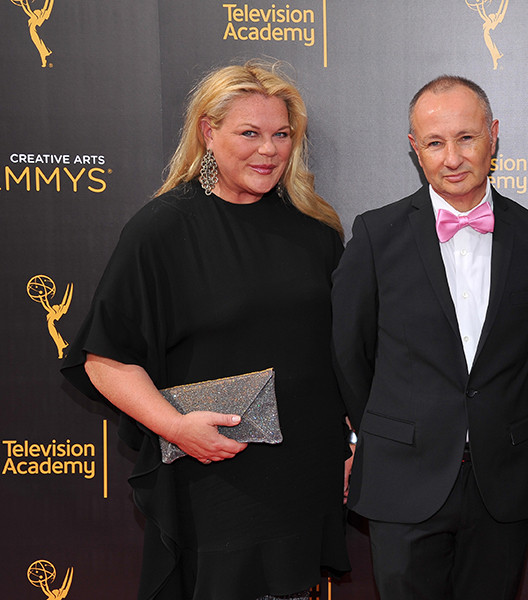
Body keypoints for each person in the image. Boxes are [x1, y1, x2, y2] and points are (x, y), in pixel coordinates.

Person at [61, 60, 350, 600]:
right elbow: (104, 359)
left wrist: (349, 442)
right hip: (215, 479)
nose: (269, 150)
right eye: (250, 133)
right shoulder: (161, 230)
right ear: (207, 133)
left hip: (303, 479)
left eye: (282, 134)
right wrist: (174, 427)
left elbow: (341, 353)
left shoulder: (316, 232)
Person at [331, 75, 528, 600]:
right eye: (435, 142)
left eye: (466, 137)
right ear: (415, 149)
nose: (452, 157)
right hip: (401, 480)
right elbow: (349, 350)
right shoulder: (374, 235)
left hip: (500, 481)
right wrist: (386, 429)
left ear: (494, 136)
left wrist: (501, 420)